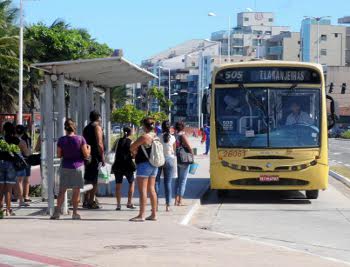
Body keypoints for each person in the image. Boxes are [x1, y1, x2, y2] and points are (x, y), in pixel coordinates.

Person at [51, 119, 90, 220]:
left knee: (62, 191)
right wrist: (89, 149)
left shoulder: (61, 140)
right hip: (78, 166)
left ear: (65, 128)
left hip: (65, 166)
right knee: (76, 191)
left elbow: (59, 155)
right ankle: (75, 213)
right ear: (74, 127)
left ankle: (57, 212)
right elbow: (86, 155)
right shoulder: (81, 139)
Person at [129, 117, 158, 222]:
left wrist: (135, 151)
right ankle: (154, 214)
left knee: (143, 191)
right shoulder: (155, 136)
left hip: (144, 164)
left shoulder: (144, 137)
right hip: (154, 164)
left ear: (144, 126)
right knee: (152, 189)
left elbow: (132, 147)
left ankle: (141, 215)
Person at [0, 122, 29, 216]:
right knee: (9, 188)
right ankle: (8, 209)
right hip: (11, 165)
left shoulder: (1, 139)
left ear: (3, 129)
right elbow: (26, 151)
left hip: (0, 163)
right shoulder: (15, 139)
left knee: (0, 188)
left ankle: (1, 209)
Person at [83, 110, 105, 209]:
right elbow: (100, 143)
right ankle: (91, 201)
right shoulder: (97, 127)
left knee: (88, 178)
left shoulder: (86, 128)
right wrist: (103, 157)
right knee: (94, 180)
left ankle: (86, 199)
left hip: (87, 155)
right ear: (98, 117)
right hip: (95, 156)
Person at [112, 127, 136, 211]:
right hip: (128, 165)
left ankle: (118, 205)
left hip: (117, 165)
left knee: (118, 185)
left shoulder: (117, 141)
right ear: (131, 133)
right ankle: (129, 203)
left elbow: (113, 150)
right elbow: (134, 154)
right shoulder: (132, 142)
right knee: (131, 182)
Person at [155, 121, 176, 212]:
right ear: (169, 127)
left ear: (162, 127)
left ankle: (155, 204)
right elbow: (174, 150)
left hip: (159, 159)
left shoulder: (158, 137)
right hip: (169, 160)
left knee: (156, 182)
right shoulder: (173, 137)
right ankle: (168, 206)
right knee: (168, 183)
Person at [174, 121, 193, 206]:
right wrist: (192, 156)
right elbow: (189, 147)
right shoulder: (182, 135)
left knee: (177, 180)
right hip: (184, 160)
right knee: (183, 180)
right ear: (183, 127)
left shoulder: (174, 135)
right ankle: (180, 201)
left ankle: (175, 200)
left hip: (176, 159)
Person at [15, 125, 32, 205]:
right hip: (24, 161)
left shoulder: (10, 139)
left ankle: (15, 196)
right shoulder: (25, 140)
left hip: (13, 162)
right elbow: (27, 153)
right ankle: (24, 197)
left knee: (14, 180)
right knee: (24, 180)